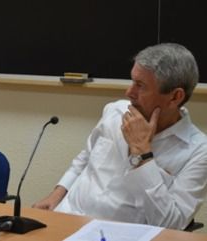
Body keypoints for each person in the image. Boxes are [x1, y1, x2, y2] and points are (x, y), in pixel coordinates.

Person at [33, 43, 207, 230]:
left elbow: (170, 225)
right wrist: (56, 194)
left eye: (140, 86)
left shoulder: (198, 151)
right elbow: (85, 158)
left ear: (175, 97)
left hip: (119, 234)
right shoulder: (115, 111)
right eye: (132, 81)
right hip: (67, 218)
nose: (129, 92)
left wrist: (143, 154)